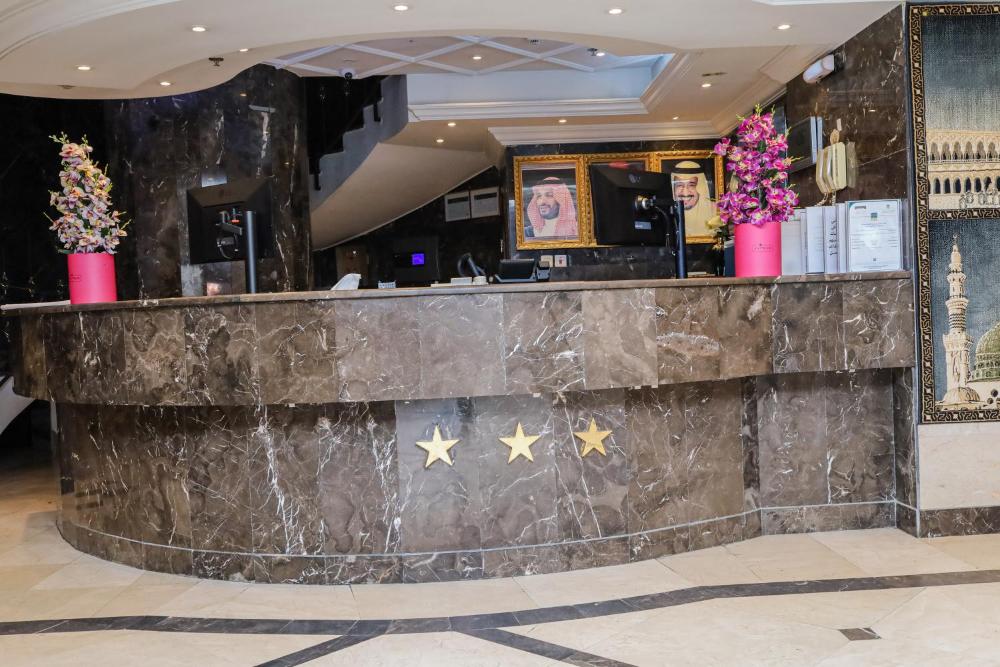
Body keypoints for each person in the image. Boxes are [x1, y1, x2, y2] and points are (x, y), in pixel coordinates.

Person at [670, 160, 716, 237]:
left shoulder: (715, 211)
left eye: (691, 185)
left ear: (700, 187)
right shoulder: (665, 214)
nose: (685, 192)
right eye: (679, 185)